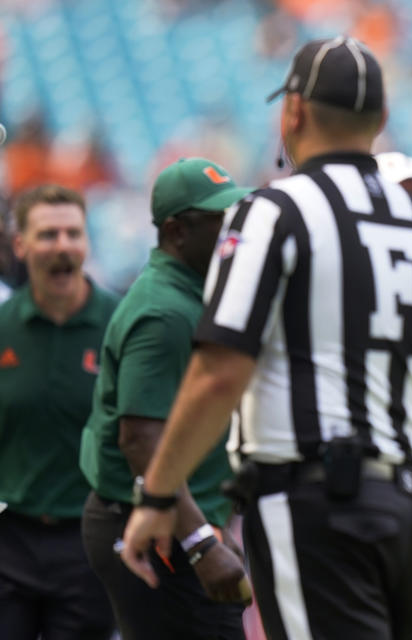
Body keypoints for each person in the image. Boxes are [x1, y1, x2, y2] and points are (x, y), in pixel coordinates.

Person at [119, 36, 412, 640]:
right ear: (380, 120)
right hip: (411, 507)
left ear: (292, 113)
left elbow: (221, 371)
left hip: (311, 504)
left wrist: (160, 494)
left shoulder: (273, 213)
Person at [79, 158, 252, 639]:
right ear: (177, 231)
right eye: (220, 221)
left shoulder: (190, 294)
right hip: (157, 528)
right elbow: (140, 440)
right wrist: (200, 542)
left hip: (176, 518)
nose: (233, 231)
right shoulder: (164, 312)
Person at [0, 185, 117, 639]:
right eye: (48, 234)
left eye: (74, 233)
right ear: (21, 245)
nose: (63, 245)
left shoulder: (121, 326)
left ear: (87, 243)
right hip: (9, 537)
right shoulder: (4, 327)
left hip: (89, 540)